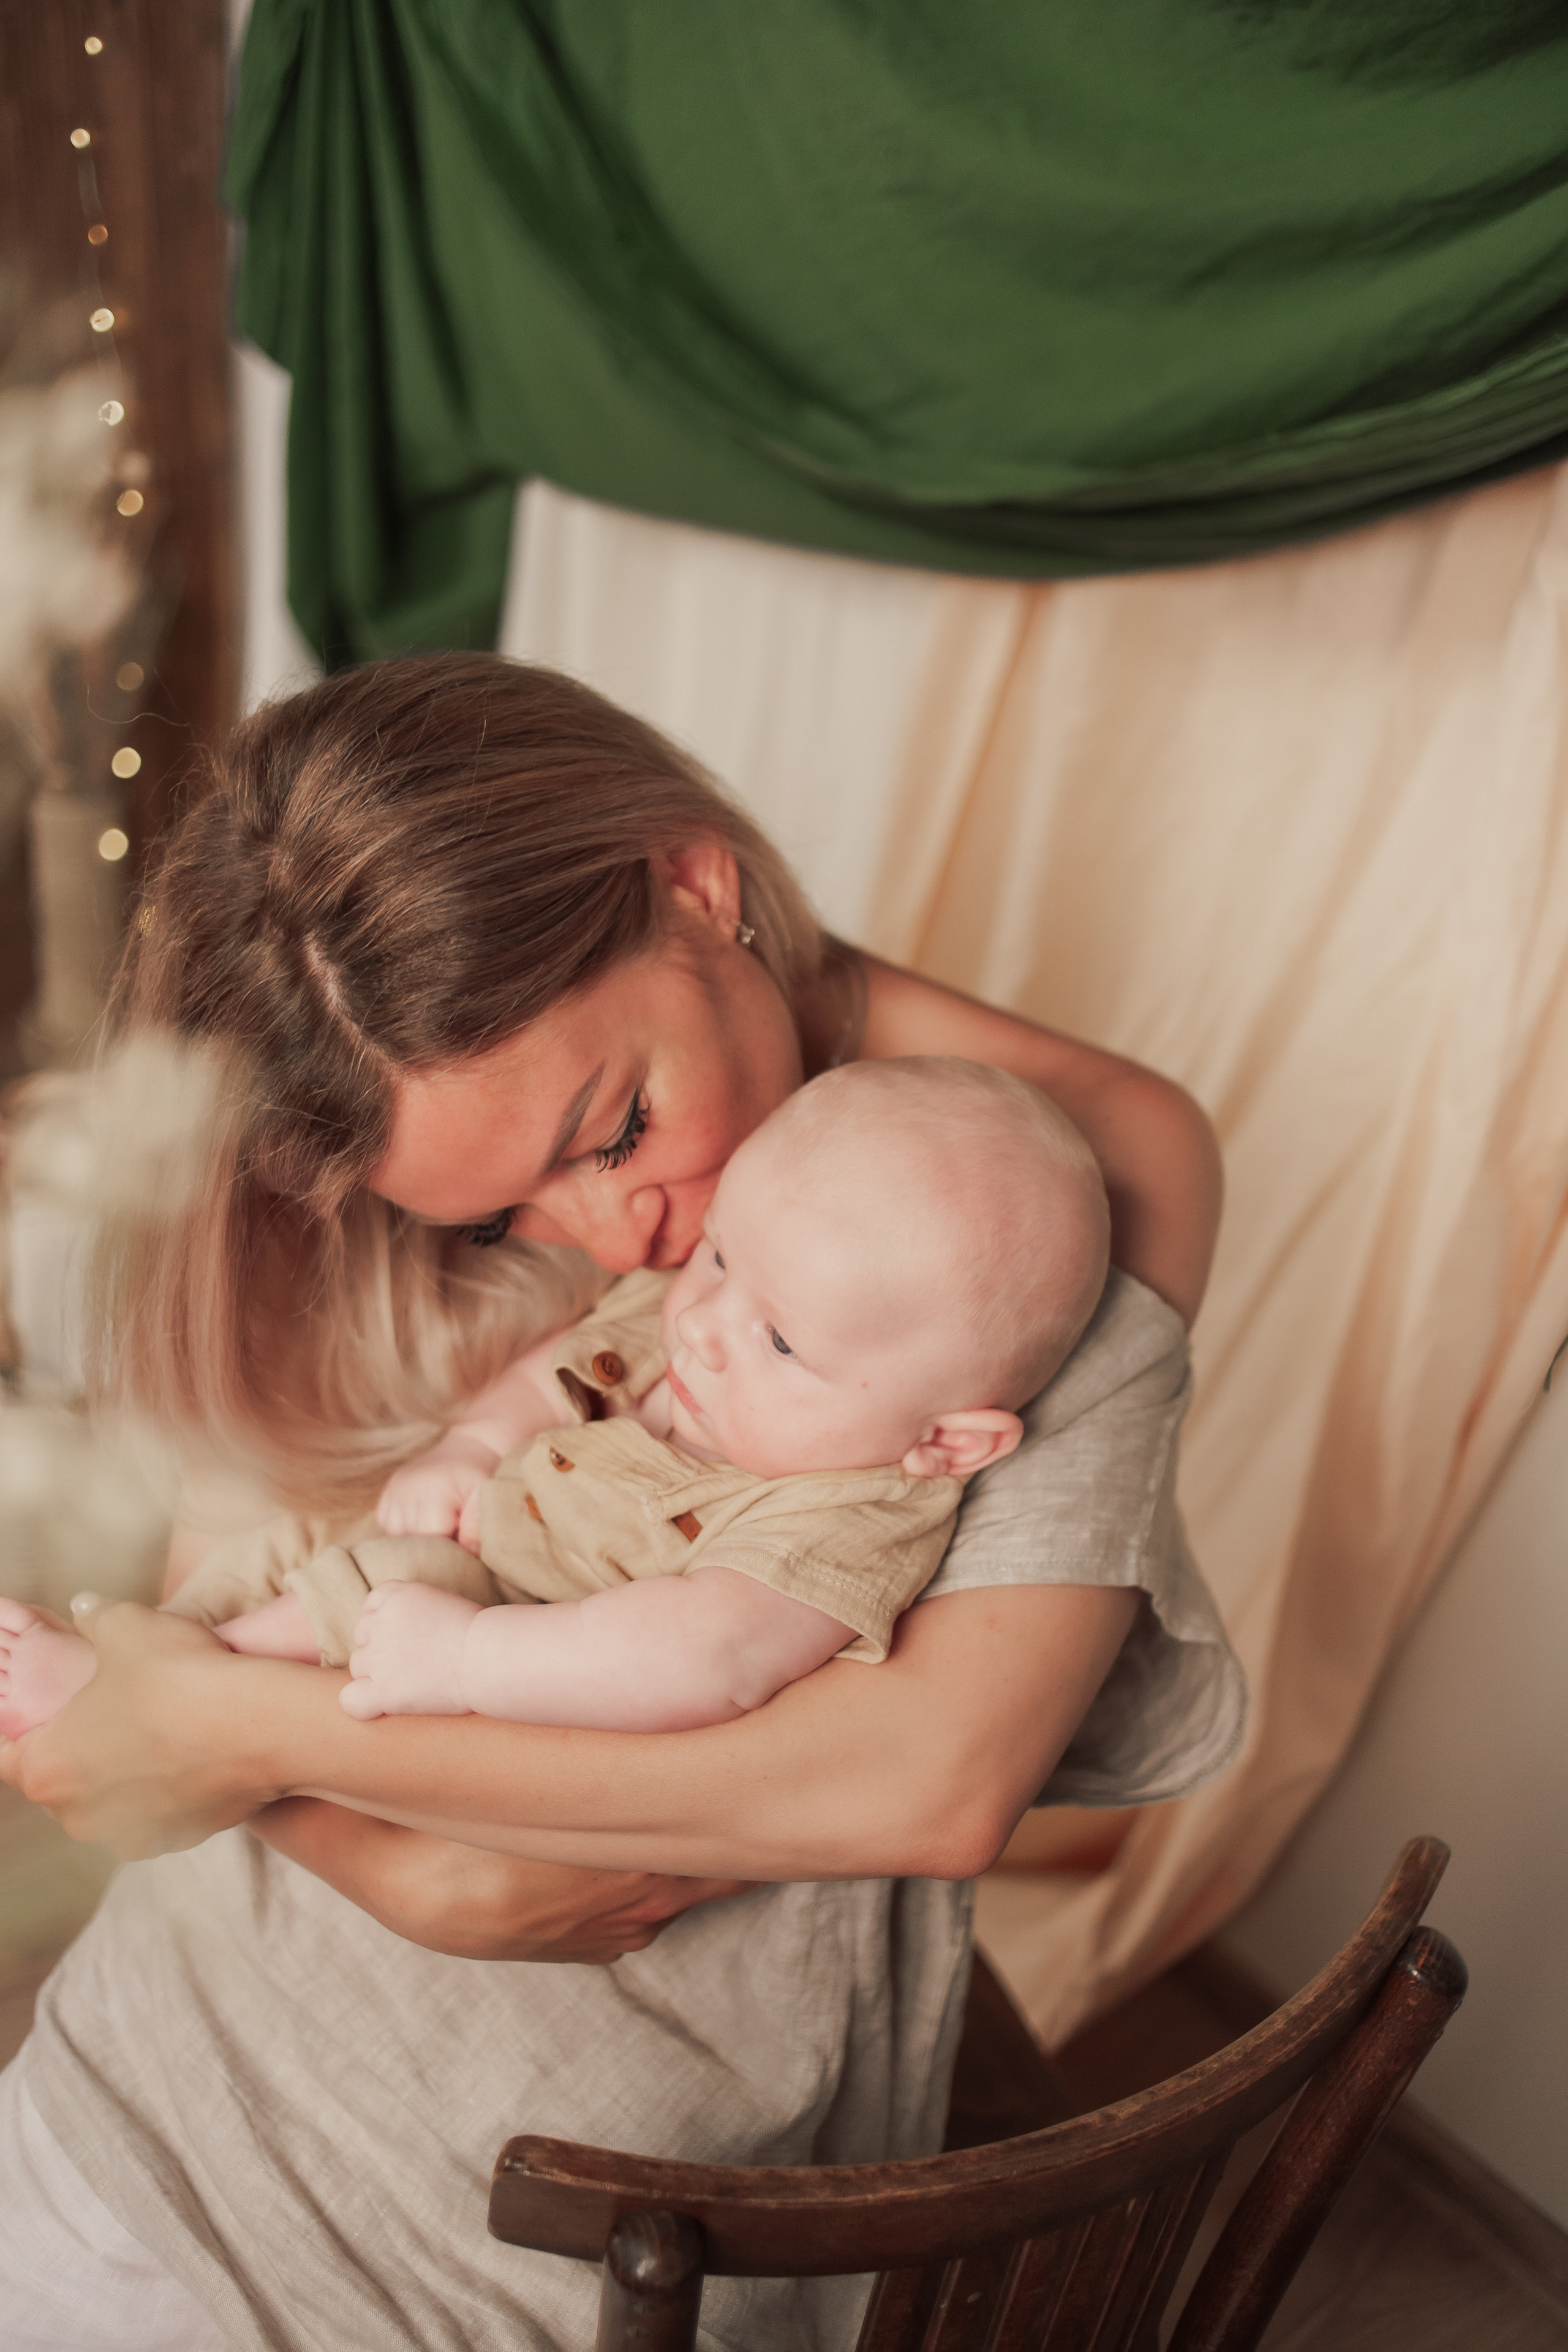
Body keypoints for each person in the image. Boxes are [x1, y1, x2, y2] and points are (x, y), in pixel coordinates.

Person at [0, 655, 1243, 2352]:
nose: (623, 1243)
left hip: (554, 2209)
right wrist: (380, 1862)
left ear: (696, 888)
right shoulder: (377, 1125)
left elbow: (930, 1778)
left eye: (616, 1128)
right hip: (161, 2076)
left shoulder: (1066, 1185)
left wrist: (231, 1732)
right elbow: (205, 1627)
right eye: (496, 1219)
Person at [0, 1057, 1110, 1741]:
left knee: (383, 1580)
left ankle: (148, 1697)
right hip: (477, 1537)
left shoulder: (849, 1515)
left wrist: (467, 1659)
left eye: (779, 1340)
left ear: (948, 1442)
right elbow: (555, 1368)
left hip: (509, 1631)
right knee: (298, 1533)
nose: (702, 1326)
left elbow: (707, 1659)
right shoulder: (706, 1314)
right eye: (720, 1256)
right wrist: (471, 1448)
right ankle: (163, 1643)